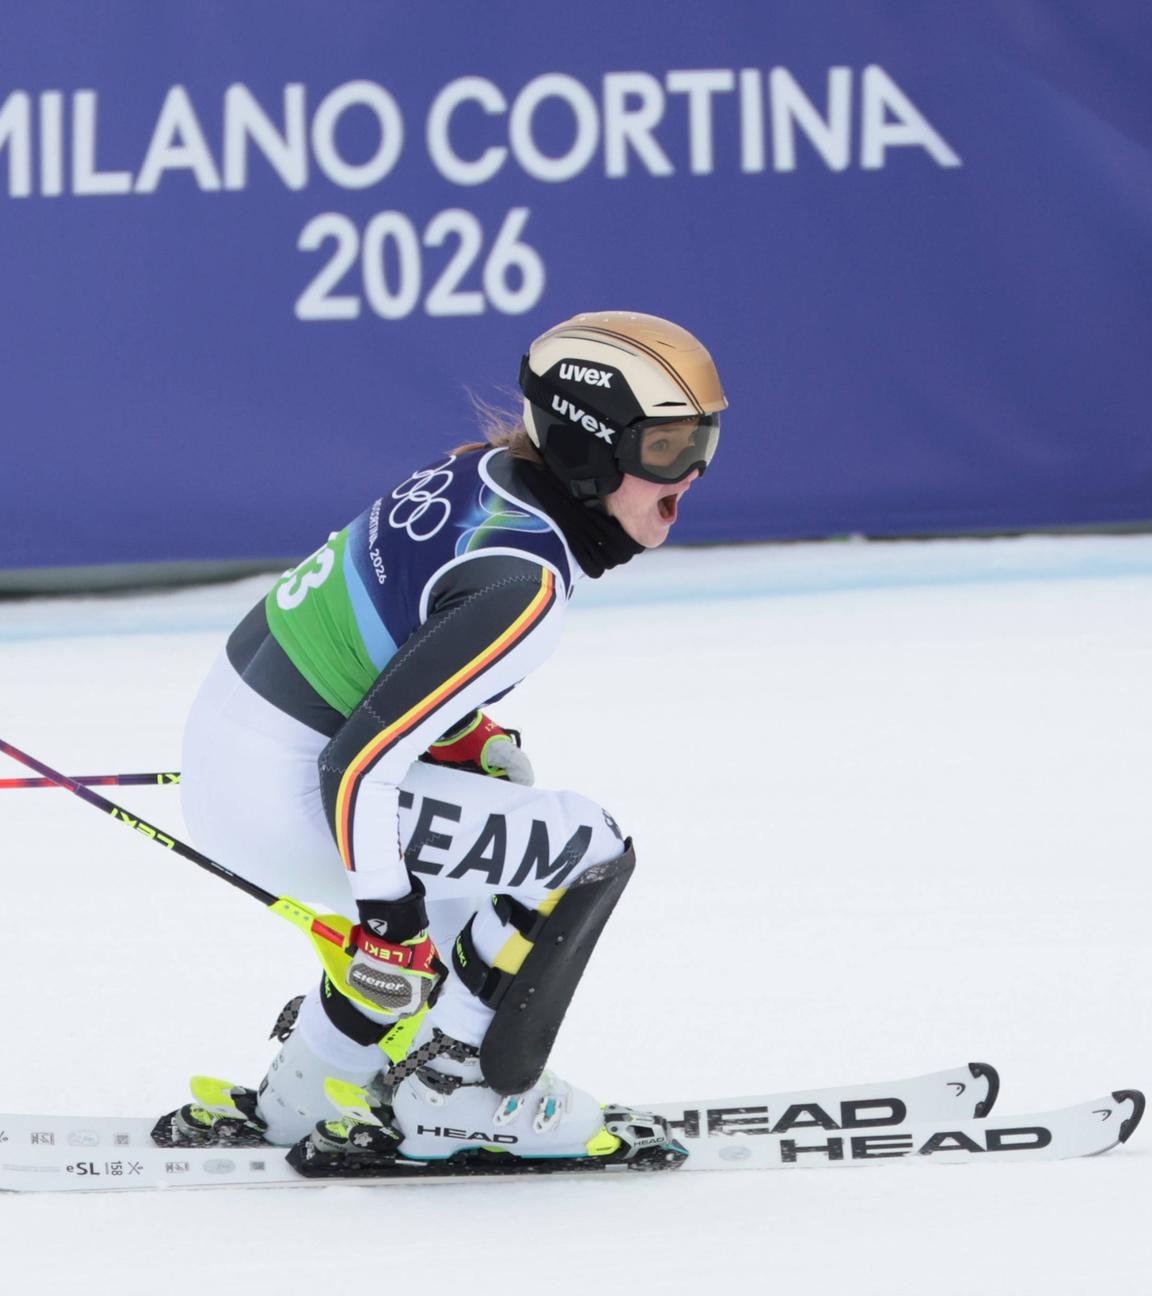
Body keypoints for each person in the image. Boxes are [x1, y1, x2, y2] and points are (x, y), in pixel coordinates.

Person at [163, 310, 727, 1175]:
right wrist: (388, 917)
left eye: (702, 445)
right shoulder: (524, 584)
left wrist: (458, 745)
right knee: (586, 850)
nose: (688, 477)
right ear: (587, 448)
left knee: (495, 788)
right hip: (291, 785)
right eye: (663, 451)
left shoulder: (486, 474)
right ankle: (459, 1087)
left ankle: (316, 1084)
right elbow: (354, 765)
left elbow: (385, 643)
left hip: (240, 748)